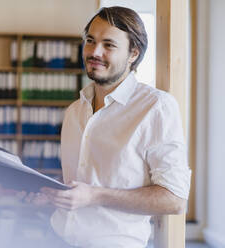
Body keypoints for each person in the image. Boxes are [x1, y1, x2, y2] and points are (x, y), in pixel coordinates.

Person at [27, 6, 191, 248]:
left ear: (133, 53)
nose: (95, 52)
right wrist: (52, 194)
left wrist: (94, 196)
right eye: (90, 41)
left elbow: (174, 199)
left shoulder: (156, 107)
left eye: (109, 45)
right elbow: (86, 178)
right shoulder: (75, 110)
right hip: (56, 237)